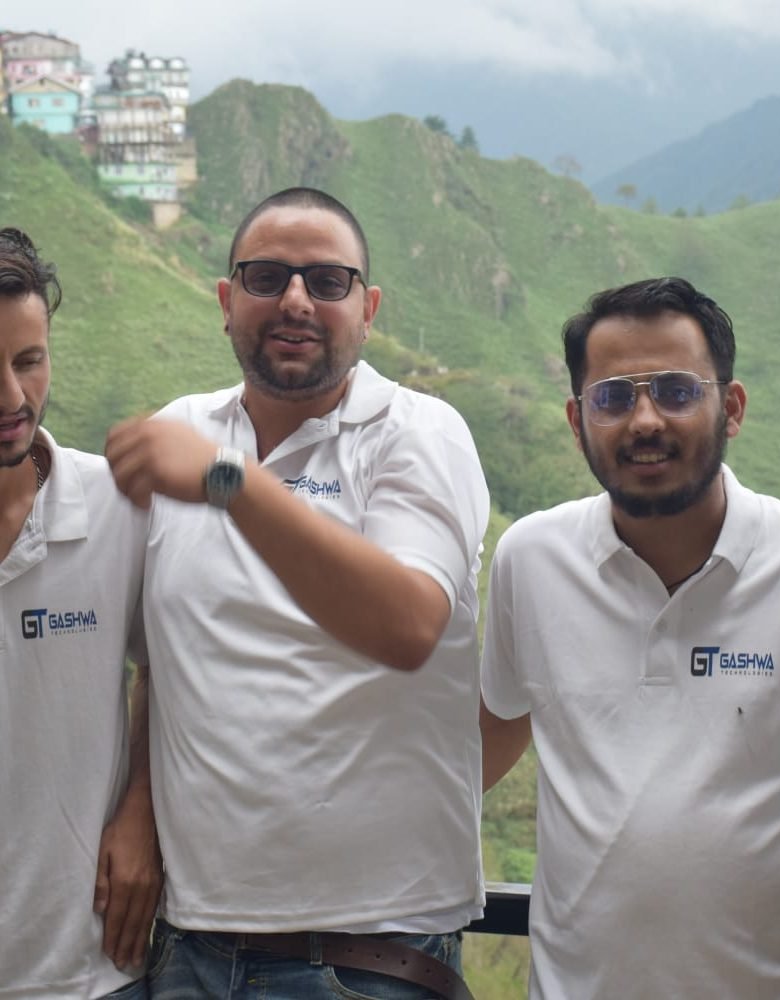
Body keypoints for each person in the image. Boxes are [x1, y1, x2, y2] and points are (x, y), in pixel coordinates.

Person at [105, 187, 489, 999]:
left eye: (327, 281)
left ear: (369, 307)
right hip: (187, 945)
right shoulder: (186, 428)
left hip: (365, 955)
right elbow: (161, 658)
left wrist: (230, 483)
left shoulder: (418, 434)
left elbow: (408, 623)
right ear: (224, 299)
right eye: (266, 276)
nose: (294, 301)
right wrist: (138, 805)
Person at [479, 276, 780, 999]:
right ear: (576, 418)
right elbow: (491, 732)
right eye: (614, 397)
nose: (645, 420)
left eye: (678, 391)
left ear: (733, 407)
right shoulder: (530, 559)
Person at [0, 228, 160, 998]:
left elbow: (171, 665)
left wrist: (142, 806)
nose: (11, 398)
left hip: (92, 973)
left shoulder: (113, 509)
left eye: (29, 362)